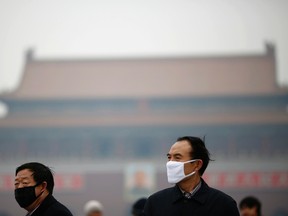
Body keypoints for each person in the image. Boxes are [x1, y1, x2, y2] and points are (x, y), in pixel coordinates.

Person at [143, 136, 240, 216]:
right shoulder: (155, 203)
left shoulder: (223, 204)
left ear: (197, 164)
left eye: (177, 157)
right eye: (169, 157)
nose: (170, 163)